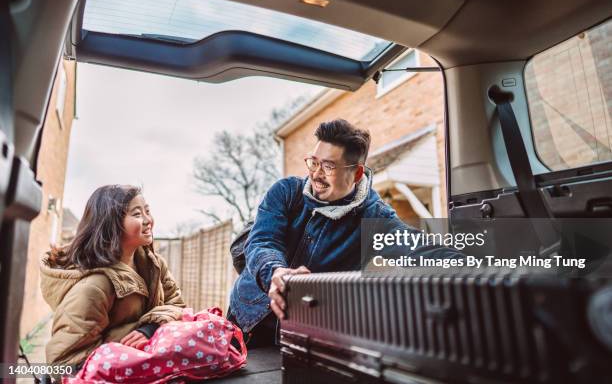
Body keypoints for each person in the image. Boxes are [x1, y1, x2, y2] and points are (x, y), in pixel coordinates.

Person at [227, 119, 462, 347]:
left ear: (357, 174)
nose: (316, 174)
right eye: (314, 162)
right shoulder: (286, 192)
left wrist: (484, 269)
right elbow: (262, 241)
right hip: (248, 320)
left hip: (307, 332)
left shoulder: (374, 217)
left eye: (328, 166)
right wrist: (276, 271)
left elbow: (422, 250)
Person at [40, 185, 185, 372]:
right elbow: (63, 363)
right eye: (137, 214)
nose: (148, 220)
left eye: (147, 211)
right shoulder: (93, 287)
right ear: (111, 223)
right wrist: (132, 347)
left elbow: (178, 305)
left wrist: (151, 328)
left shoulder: (154, 264)